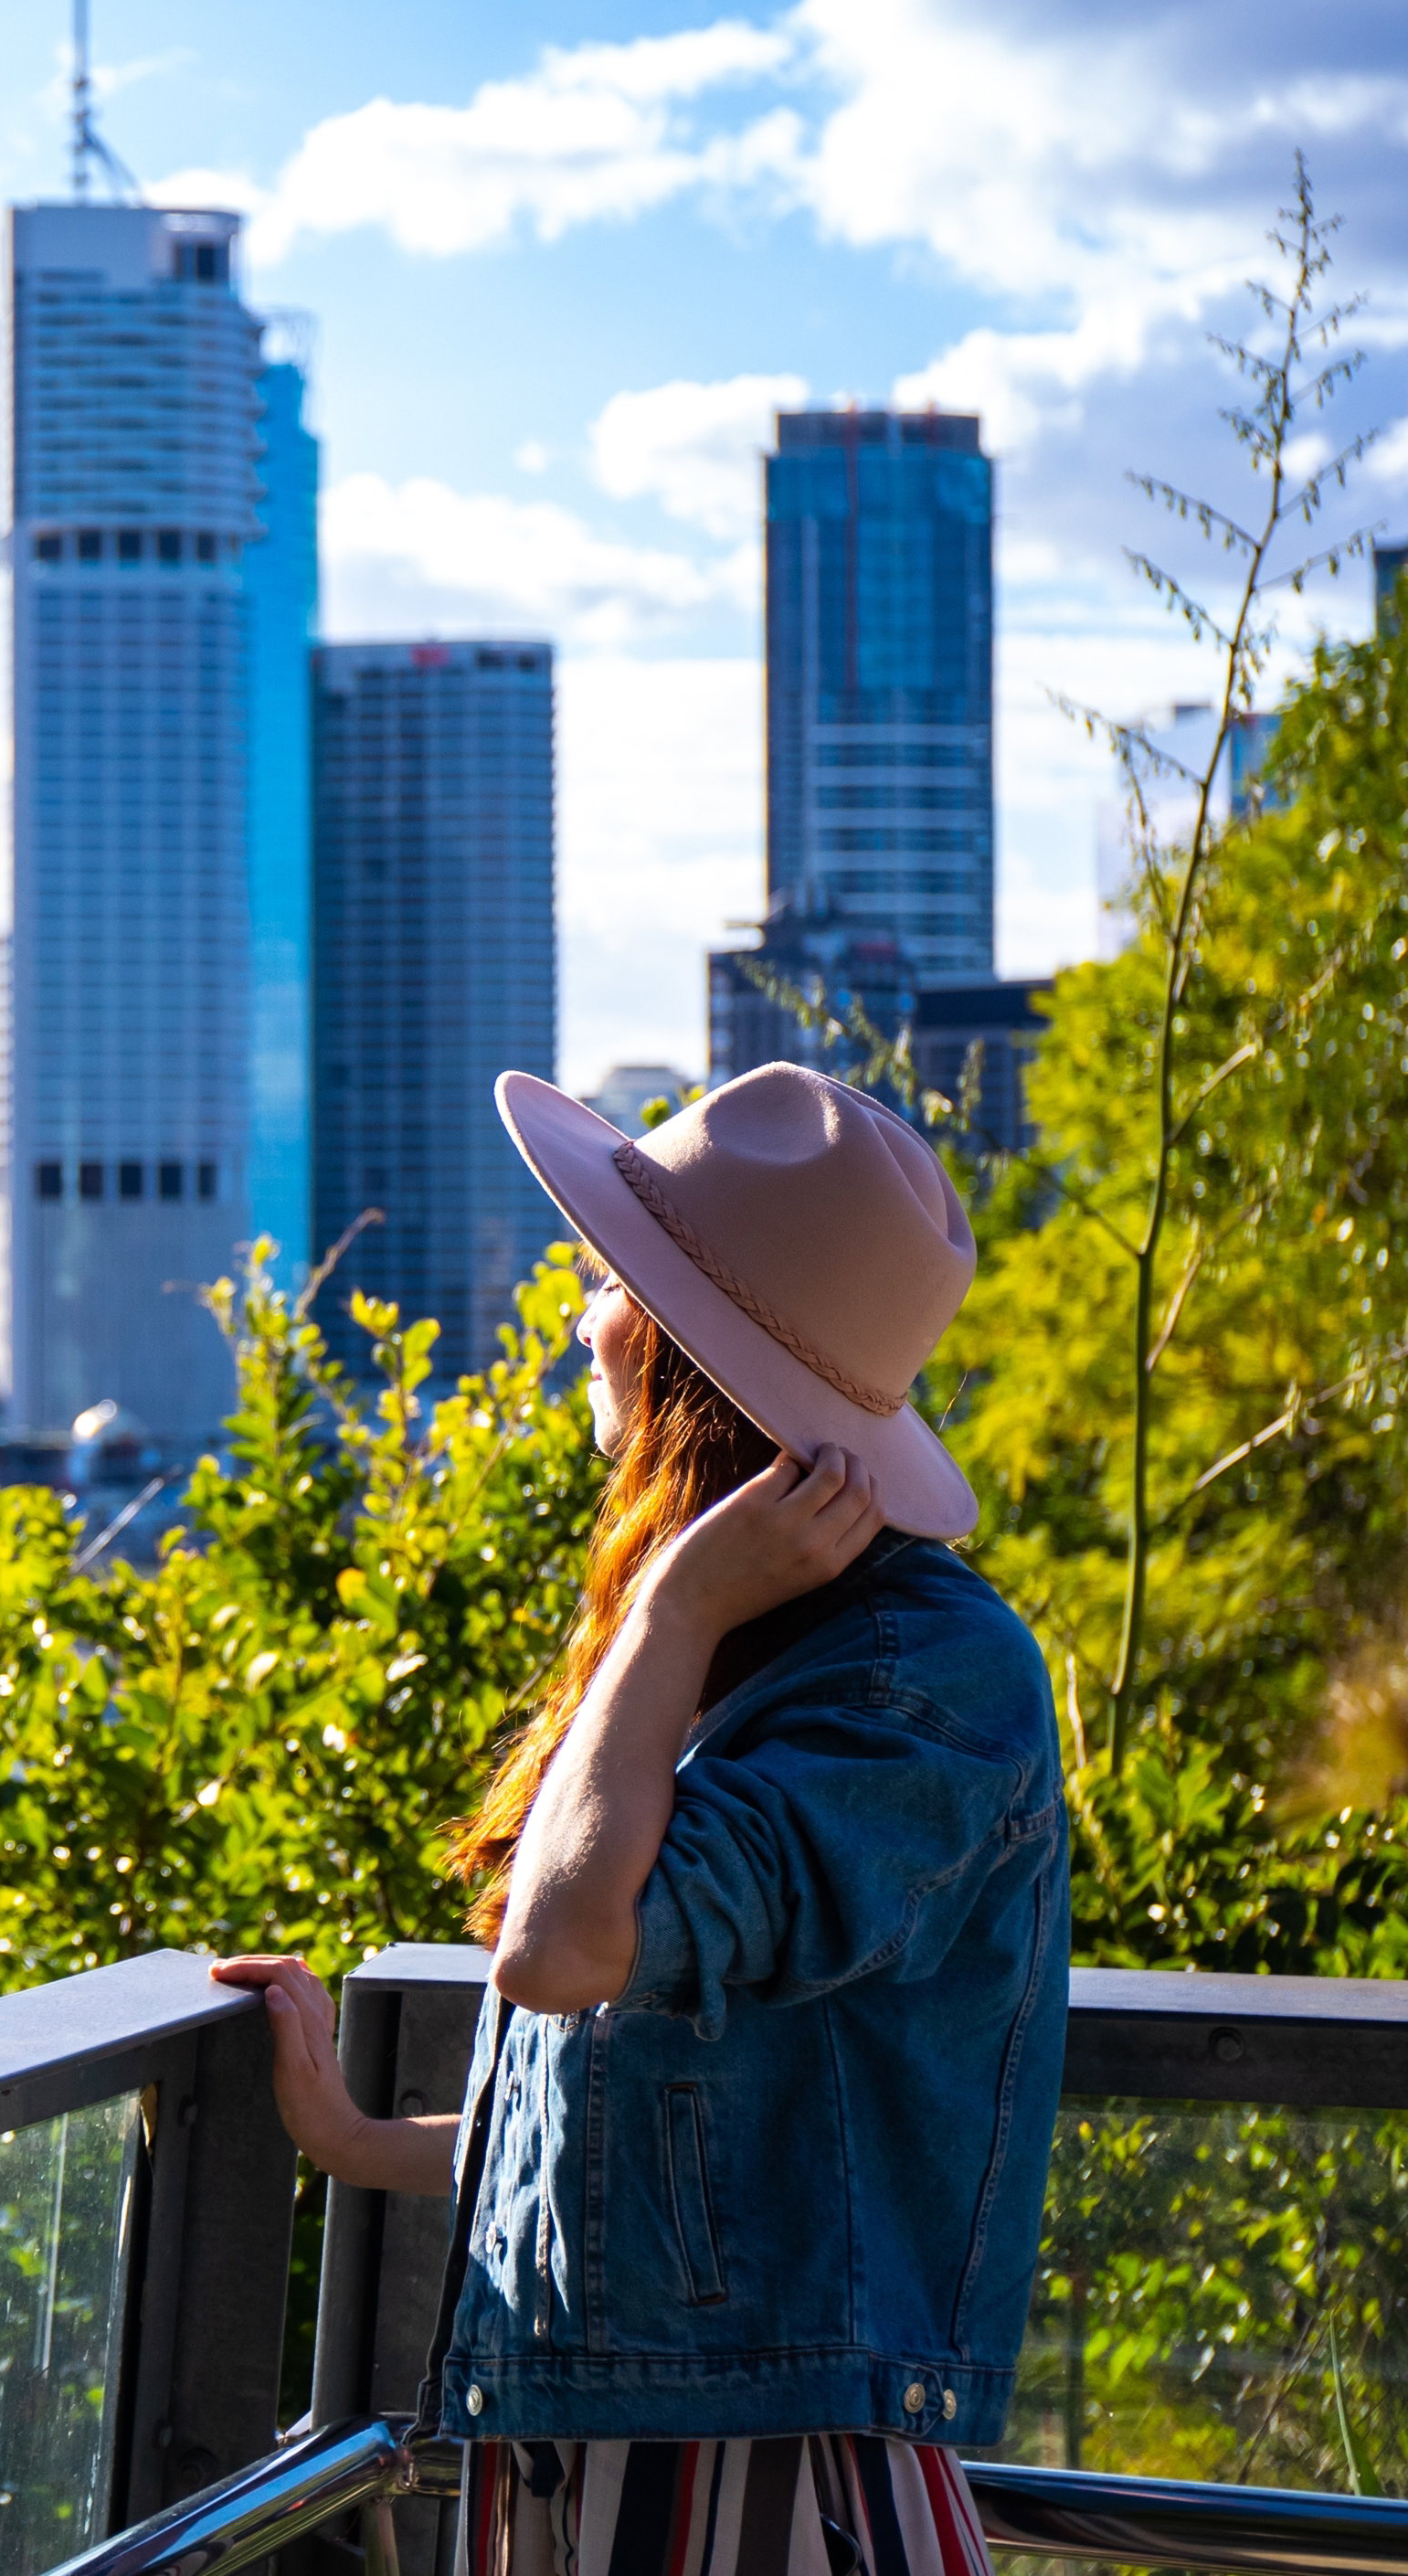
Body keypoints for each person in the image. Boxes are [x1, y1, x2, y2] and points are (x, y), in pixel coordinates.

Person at [218, 1063, 1065, 2576]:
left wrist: (673, 1603)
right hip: (588, 2466)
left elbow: (559, 1948)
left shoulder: (915, 1673)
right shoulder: (753, 1643)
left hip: (764, 2487)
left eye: (613, 1282)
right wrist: (356, 2139)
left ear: (691, 1356)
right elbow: (674, 2128)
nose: (579, 1317)